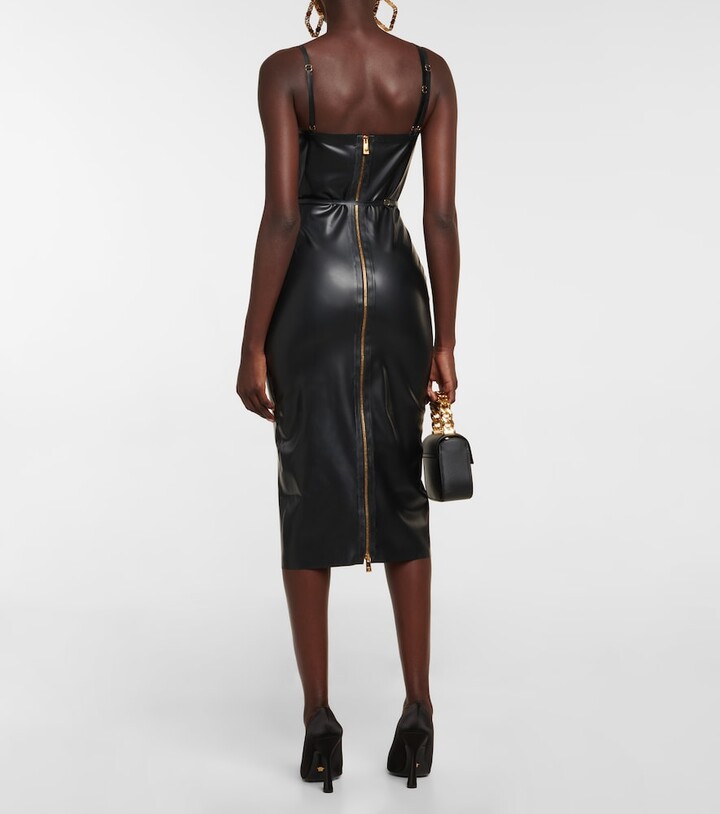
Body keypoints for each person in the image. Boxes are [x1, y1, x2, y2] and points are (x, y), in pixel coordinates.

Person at [235, 0, 459, 792]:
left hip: (313, 299)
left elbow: (283, 218)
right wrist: (444, 339)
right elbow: (439, 215)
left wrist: (252, 342)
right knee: (404, 493)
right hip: (399, 290)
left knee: (308, 490)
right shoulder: (428, 73)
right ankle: (419, 709)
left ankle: (319, 722)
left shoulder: (287, 72)